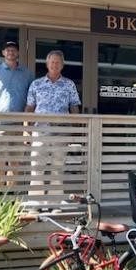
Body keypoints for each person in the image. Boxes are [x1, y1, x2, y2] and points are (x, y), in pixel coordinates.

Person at [25, 50, 81, 198]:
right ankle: (36, 202)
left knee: (58, 166)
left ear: (62, 65)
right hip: (40, 129)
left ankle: (56, 202)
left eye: (57, 62)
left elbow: (74, 107)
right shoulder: (36, 84)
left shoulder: (69, 84)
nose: (54, 65)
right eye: (52, 62)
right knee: (37, 165)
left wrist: (74, 131)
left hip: (62, 129)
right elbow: (29, 107)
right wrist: (26, 129)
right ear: (47, 64)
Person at [0, 40, 34, 186]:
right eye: (7, 49)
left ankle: (10, 201)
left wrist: (27, 124)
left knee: (15, 165)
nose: (11, 52)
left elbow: (32, 99)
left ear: (18, 53)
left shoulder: (27, 73)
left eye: (14, 49)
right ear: (3, 53)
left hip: (19, 125)